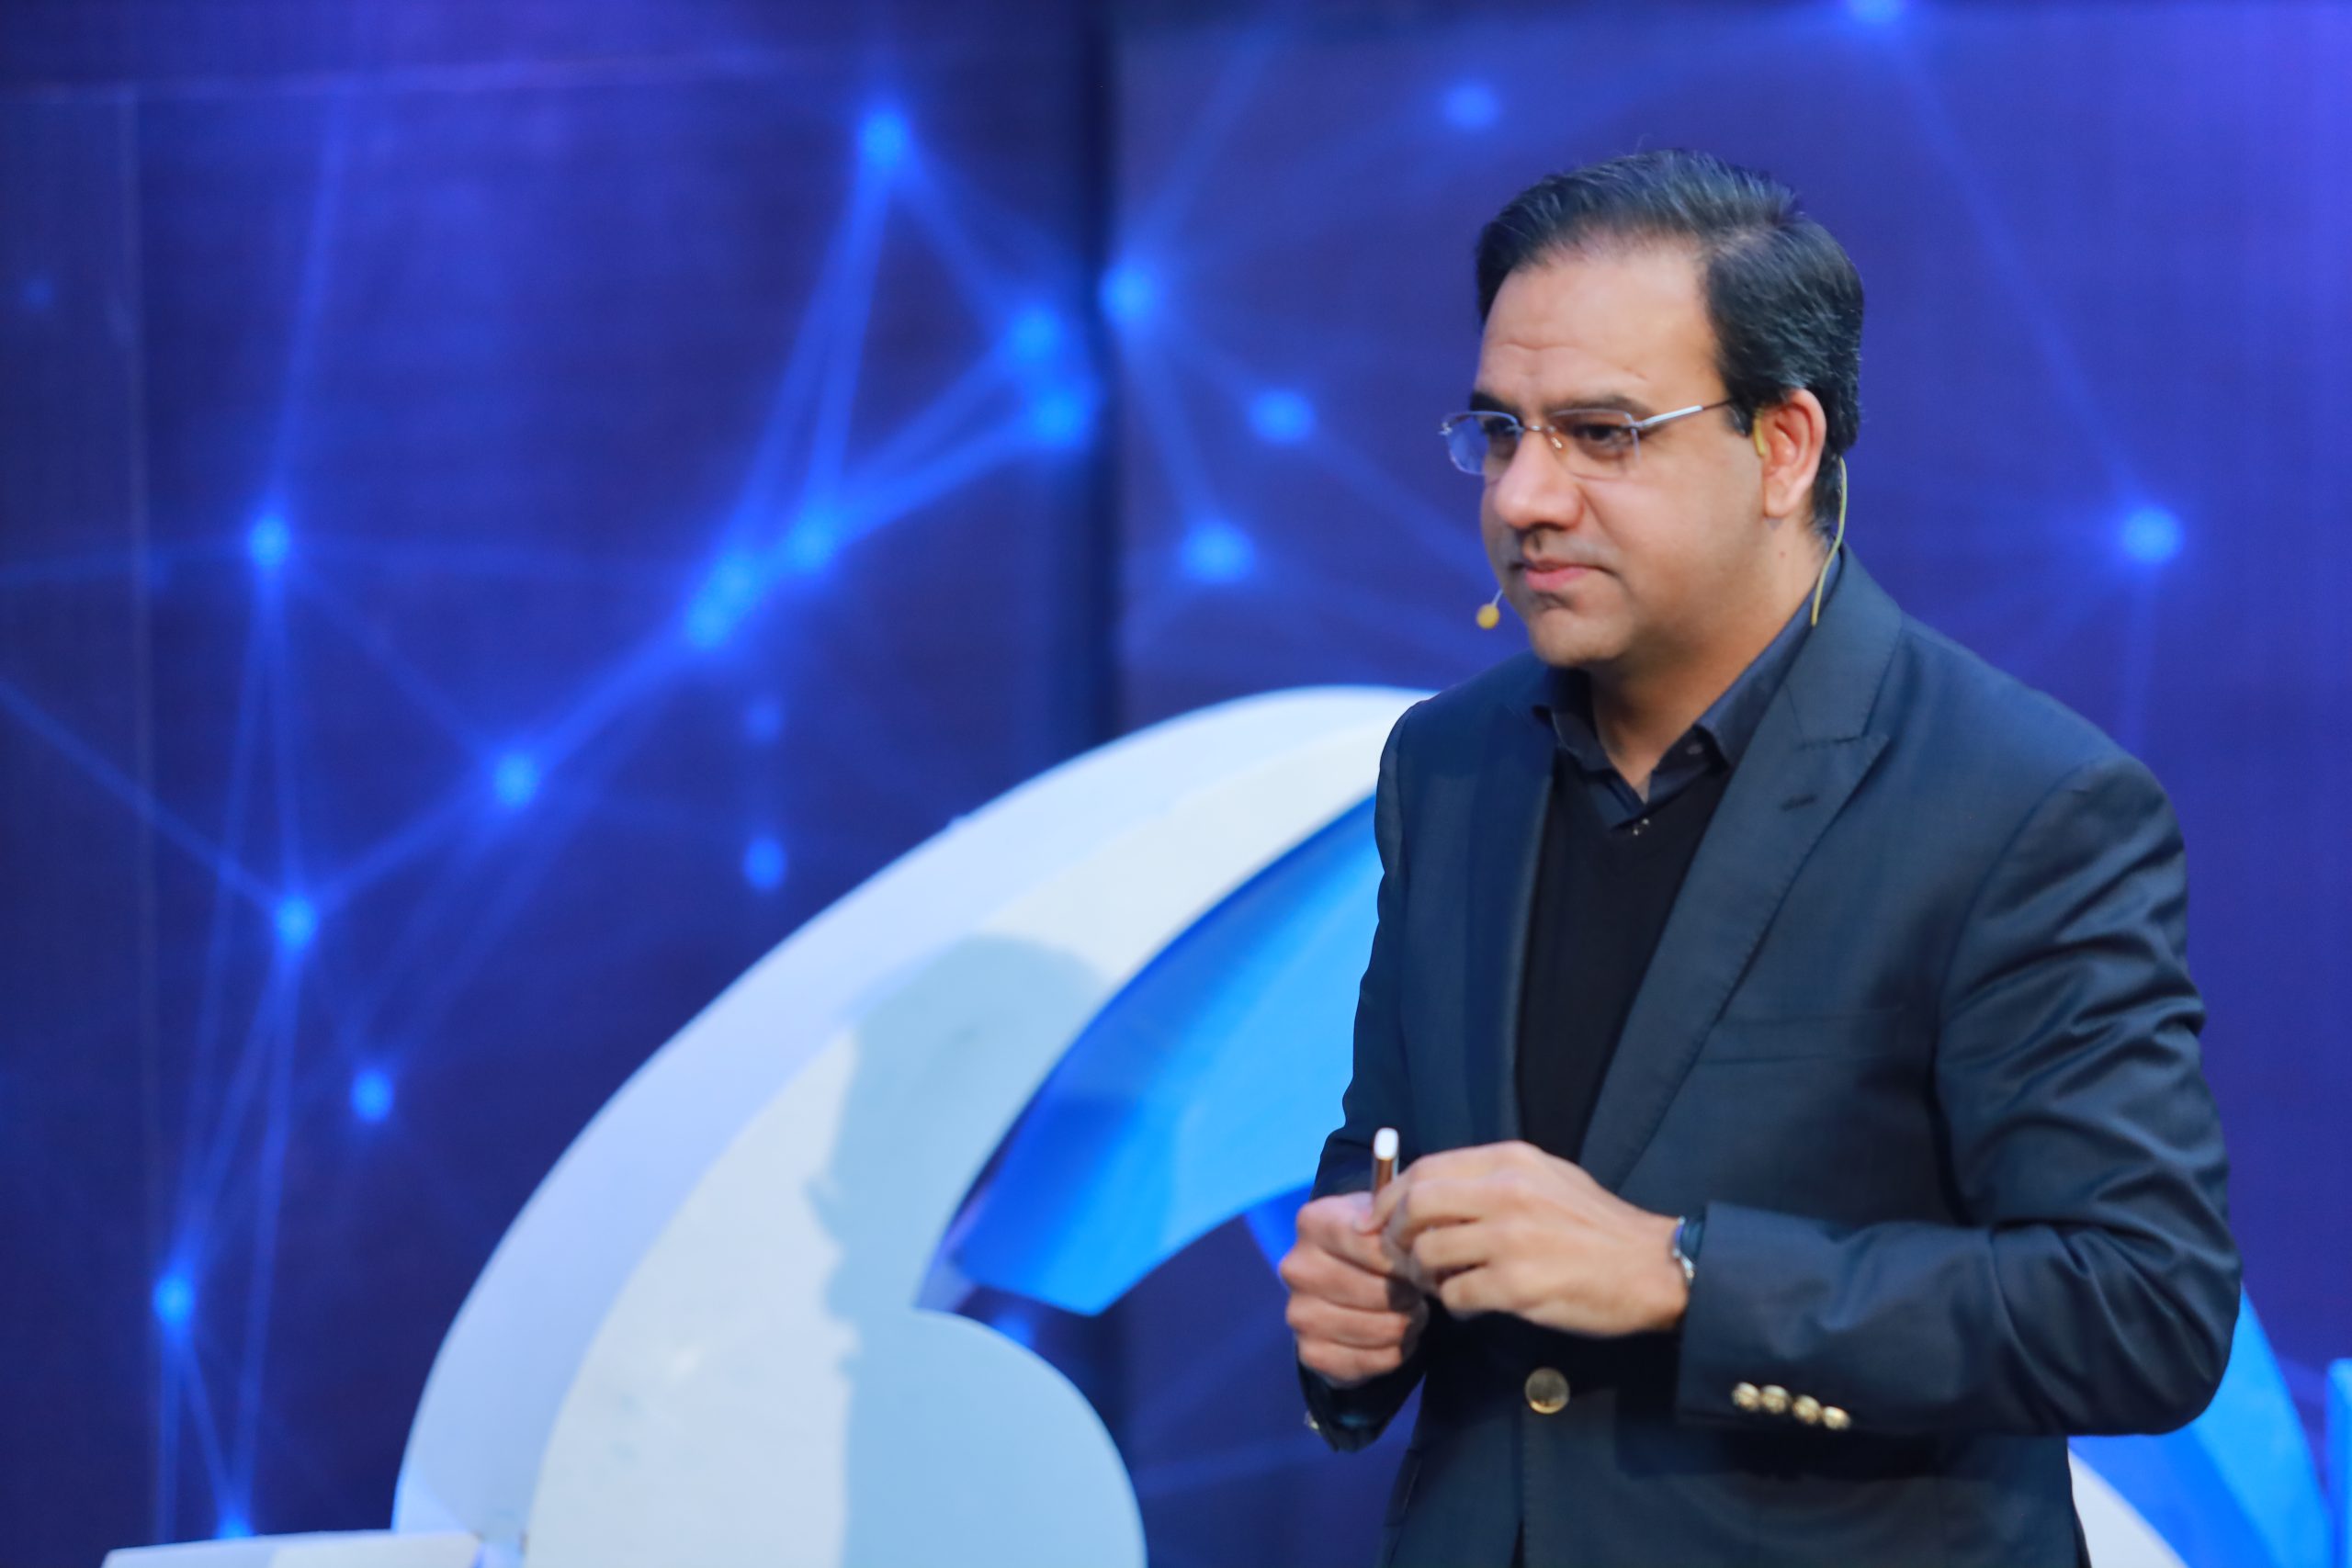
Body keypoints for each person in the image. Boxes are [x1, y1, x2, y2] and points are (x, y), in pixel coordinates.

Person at [1276, 149, 2238, 1568]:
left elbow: (2140, 1308)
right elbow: (1385, 1158)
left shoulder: (2022, 801)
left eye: (1602, 433)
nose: (1525, 495)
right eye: (1499, 431)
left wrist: (1684, 1274)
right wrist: (1357, 1306)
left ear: (1784, 446)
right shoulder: (1448, 764)